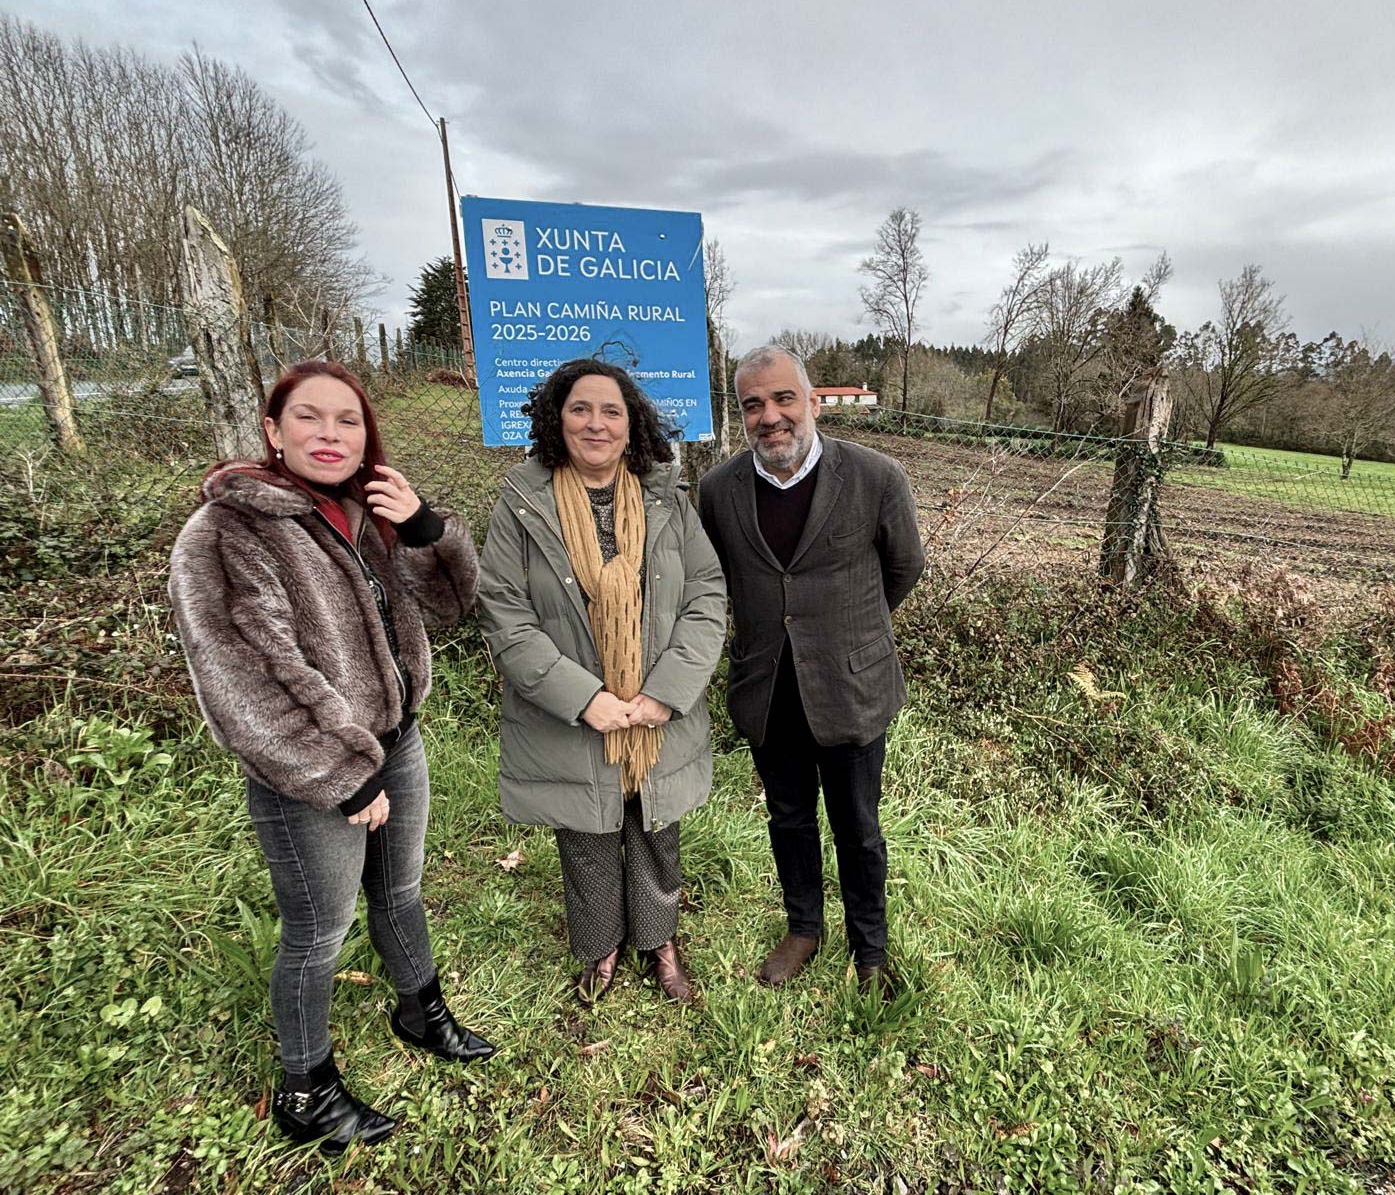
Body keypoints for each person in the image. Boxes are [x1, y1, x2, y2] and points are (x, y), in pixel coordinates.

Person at [168, 360, 495, 1156]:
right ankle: (305, 1090)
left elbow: (451, 607)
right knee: (319, 929)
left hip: (396, 741)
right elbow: (246, 675)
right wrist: (341, 775)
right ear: (273, 432)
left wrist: (424, 530)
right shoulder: (226, 532)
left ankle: (421, 1011)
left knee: (401, 890)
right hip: (311, 769)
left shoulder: (361, 513)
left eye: (348, 420)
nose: (330, 434)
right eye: (309, 417)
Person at [477, 358, 726, 1005]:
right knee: (585, 831)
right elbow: (504, 610)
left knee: (655, 824)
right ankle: (600, 945)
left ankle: (659, 939)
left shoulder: (667, 499)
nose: (596, 423)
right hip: (573, 710)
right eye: (580, 409)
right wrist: (584, 699)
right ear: (556, 420)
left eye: (611, 411)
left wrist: (664, 692)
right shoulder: (523, 504)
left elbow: (706, 593)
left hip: (655, 707)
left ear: (630, 424)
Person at [698, 345, 925, 998]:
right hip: (768, 688)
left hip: (852, 688)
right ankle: (803, 928)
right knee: (788, 817)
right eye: (753, 405)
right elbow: (715, 581)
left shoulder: (875, 477)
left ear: (813, 403)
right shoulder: (718, 491)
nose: (770, 416)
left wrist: (849, 635)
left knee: (858, 826)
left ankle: (869, 948)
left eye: (783, 398)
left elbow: (904, 567)